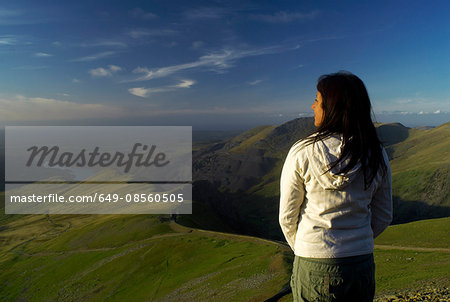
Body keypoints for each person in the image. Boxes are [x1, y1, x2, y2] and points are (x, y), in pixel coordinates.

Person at [279, 71, 392, 302]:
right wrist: (357, 237)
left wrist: (306, 248)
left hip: (313, 261)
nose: (312, 106)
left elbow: (287, 217)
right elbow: (383, 215)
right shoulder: (376, 153)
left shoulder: (302, 151)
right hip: (360, 263)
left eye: (318, 100)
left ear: (333, 107)